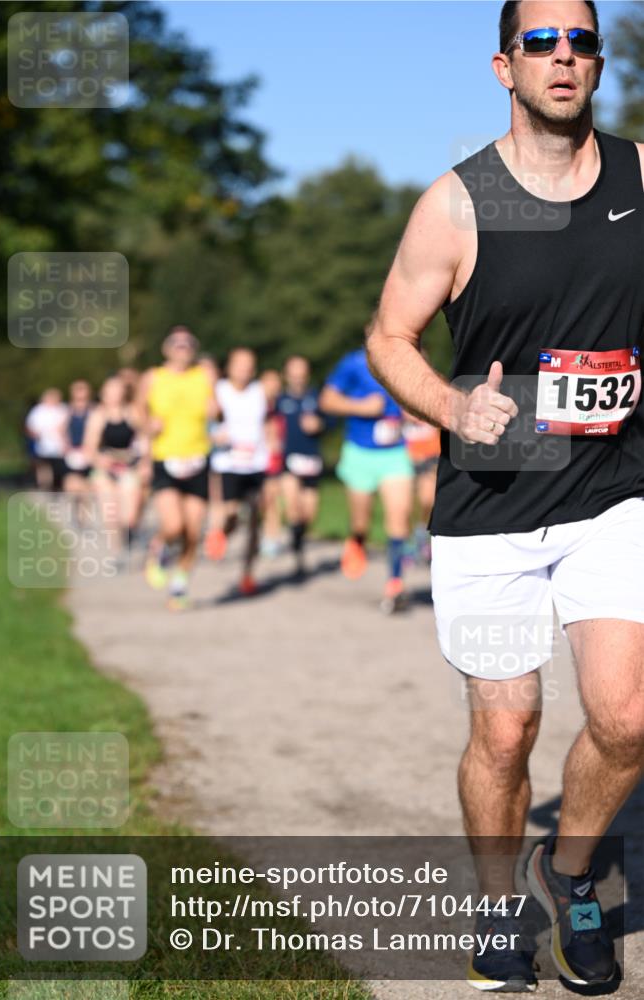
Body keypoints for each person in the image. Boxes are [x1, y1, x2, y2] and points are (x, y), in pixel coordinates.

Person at [366, 0, 643, 990]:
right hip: (492, 503)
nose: (562, 57)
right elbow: (386, 338)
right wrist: (448, 404)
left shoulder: (639, 176)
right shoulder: (457, 202)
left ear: (597, 63)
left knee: (626, 714)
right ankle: (495, 903)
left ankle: (567, 876)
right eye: (541, 42)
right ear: (503, 66)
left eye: (579, 42)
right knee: (505, 729)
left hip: (615, 489)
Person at [320, 343, 414, 614]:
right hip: (360, 451)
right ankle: (357, 539)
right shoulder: (353, 362)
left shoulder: (408, 358)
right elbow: (327, 400)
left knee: (400, 515)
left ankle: (395, 583)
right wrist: (362, 407)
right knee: (361, 520)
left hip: (395, 452)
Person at [138, 327, 215, 611]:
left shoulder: (204, 375)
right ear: (166, 349)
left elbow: (216, 410)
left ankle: (179, 585)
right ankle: (157, 548)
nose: (183, 348)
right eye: (177, 343)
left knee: (193, 533)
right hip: (165, 457)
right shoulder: (153, 377)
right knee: (174, 525)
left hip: (197, 457)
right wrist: (148, 426)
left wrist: (215, 411)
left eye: (188, 344)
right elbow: (138, 411)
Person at [209, 348, 268, 595]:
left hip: (256, 463)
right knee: (231, 512)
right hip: (228, 463)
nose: (244, 369)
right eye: (239, 364)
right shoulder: (217, 391)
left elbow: (268, 422)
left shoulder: (260, 392)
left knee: (257, 519)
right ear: (229, 367)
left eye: (248, 364)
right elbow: (204, 421)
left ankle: (248, 574)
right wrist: (213, 434)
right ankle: (222, 532)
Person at [83, 376, 143, 563]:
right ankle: (117, 553)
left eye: (118, 389)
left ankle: (128, 534)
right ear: (104, 393)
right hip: (105, 468)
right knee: (111, 514)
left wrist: (144, 461)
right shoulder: (98, 415)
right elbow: (89, 447)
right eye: (111, 390)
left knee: (129, 516)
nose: (114, 394)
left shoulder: (132, 412)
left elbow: (145, 438)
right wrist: (99, 459)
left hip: (128, 466)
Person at [276, 355, 325, 577]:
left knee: (309, 514)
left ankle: (298, 539)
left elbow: (331, 420)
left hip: (312, 461)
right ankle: (297, 553)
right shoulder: (279, 400)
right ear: (286, 375)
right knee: (293, 508)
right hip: (289, 462)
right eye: (293, 374)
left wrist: (320, 424)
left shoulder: (316, 397)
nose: (297, 378)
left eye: (301, 374)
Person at [402, 410, 441, 564]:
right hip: (405, 456)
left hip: (431, 455)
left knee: (428, 500)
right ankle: (407, 542)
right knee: (405, 506)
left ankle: (421, 538)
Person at [260, 368, 286, 558]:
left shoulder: (281, 407)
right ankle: (268, 533)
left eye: (276, 382)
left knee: (274, 498)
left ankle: (272, 535)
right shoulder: (255, 406)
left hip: (277, 459)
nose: (273, 386)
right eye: (269, 381)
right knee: (266, 500)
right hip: (257, 460)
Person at [24, 388, 68, 491]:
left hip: (60, 447)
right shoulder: (38, 411)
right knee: (44, 468)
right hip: (43, 446)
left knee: (59, 469)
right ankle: (45, 488)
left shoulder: (63, 409)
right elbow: (30, 427)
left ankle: (59, 487)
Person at [62, 380, 94, 501]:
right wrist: (66, 445)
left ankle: (85, 514)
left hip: (89, 452)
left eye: (83, 389)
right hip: (73, 453)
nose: (80, 393)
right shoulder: (68, 411)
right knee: (71, 485)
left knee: (87, 486)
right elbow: (63, 430)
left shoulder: (94, 410)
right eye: (77, 390)